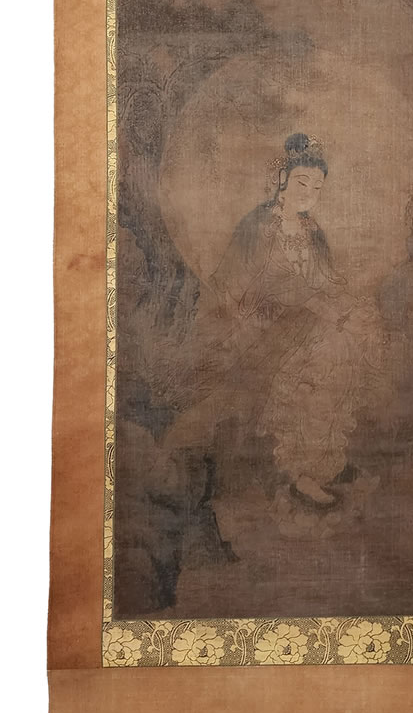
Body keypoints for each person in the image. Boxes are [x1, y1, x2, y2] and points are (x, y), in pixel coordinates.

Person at [161, 133, 382, 505]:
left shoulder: (313, 231)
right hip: (259, 327)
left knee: (346, 343)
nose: (309, 193)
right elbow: (248, 286)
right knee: (323, 354)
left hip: (305, 322)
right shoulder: (260, 226)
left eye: (317, 187)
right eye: (302, 182)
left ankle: (325, 459)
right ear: (283, 179)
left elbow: (325, 280)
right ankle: (301, 471)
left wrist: (349, 305)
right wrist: (317, 307)